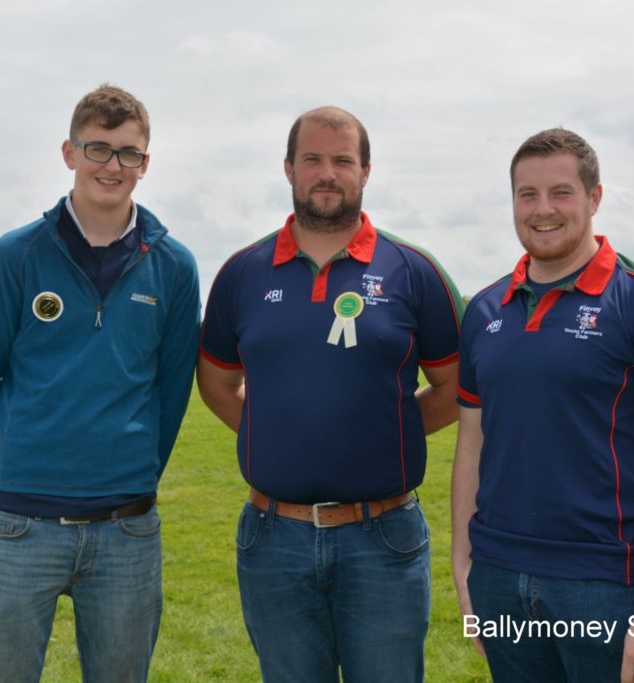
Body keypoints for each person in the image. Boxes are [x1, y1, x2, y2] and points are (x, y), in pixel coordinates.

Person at [197, 106, 465, 682]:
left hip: (384, 539)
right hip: (273, 538)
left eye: (342, 160)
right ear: (289, 168)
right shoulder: (243, 272)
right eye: (313, 159)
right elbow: (216, 382)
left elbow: (458, 386)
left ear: (365, 171)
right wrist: (271, 430)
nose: (327, 172)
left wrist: (389, 428)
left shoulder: (413, 271)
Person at [0, 84, 200, 683]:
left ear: (146, 163)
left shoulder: (175, 266)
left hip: (127, 530)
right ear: (68, 152)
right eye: (98, 148)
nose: (112, 166)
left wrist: (129, 471)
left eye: (129, 153)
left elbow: (171, 396)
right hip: (18, 525)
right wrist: (23, 461)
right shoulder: (14, 255)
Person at [451, 128, 634, 682]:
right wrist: (463, 566)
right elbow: (471, 444)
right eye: (527, 194)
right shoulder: (484, 310)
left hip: (605, 585)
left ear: (594, 198)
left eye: (561, 193)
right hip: (499, 576)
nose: (543, 210)